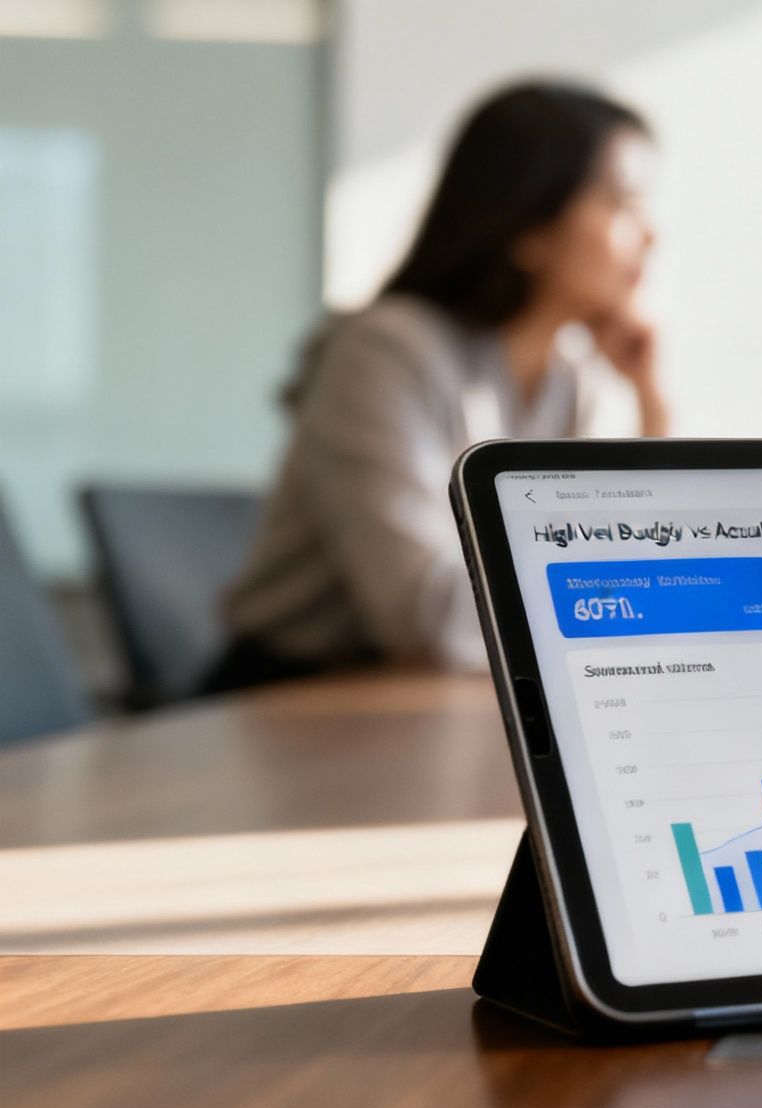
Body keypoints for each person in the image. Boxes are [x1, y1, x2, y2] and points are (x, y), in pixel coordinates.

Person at [213, 81, 668, 689]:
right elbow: (433, 621)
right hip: (294, 697)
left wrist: (651, 405)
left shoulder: (569, 380)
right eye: (622, 205)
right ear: (530, 223)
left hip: (427, 698)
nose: (651, 235)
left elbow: (612, 582)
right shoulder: (384, 352)